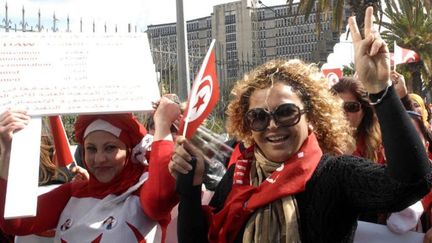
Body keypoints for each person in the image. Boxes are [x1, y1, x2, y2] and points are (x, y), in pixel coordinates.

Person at [169, 7, 432, 243]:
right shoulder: (237, 176)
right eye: (258, 117)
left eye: (286, 112)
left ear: (312, 116)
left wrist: (380, 90)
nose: (272, 125)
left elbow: (413, 182)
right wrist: (190, 190)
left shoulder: (335, 174)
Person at [0, 96, 180, 242]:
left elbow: (158, 201)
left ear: (130, 150)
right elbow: (15, 224)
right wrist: (8, 150)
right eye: (91, 149)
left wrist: (162, 124)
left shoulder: (143, 189)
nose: (99, 159)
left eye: (110, 148)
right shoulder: (72, 193)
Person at [331, 77, 384, 163]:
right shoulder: (319, 144)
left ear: (364, 111)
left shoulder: (379, 145)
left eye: (351, 107)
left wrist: (350, 157)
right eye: (336, 107)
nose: (343, 113)